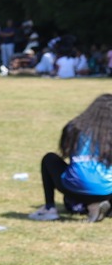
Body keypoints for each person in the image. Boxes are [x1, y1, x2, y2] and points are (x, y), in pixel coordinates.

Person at [28, 94, 112, 222]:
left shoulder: (74, 127)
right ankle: (100, 205)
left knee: (49, 159)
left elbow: (66, 152)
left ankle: (49, 208)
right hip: (106, 191)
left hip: (73, 188)